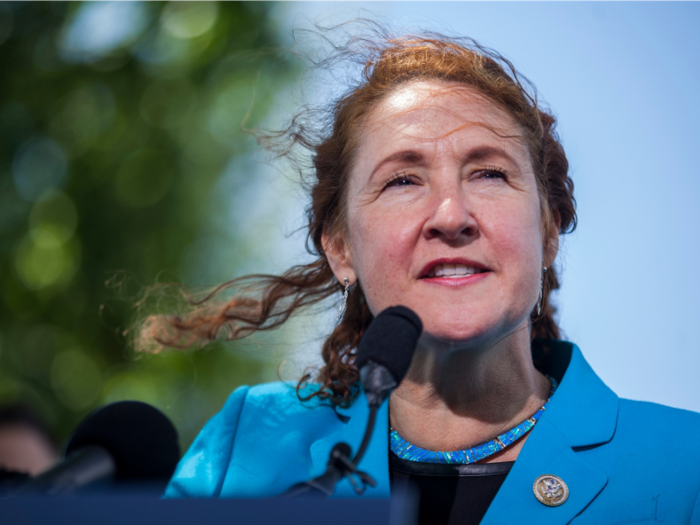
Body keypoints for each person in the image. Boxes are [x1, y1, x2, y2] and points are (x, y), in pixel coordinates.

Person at [148, 27, 700, 524]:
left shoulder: (685, 466)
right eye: (402, 181)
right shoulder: (250, 445)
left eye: (488, 173)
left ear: (549, 229)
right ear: (341, 249)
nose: (451, 216)